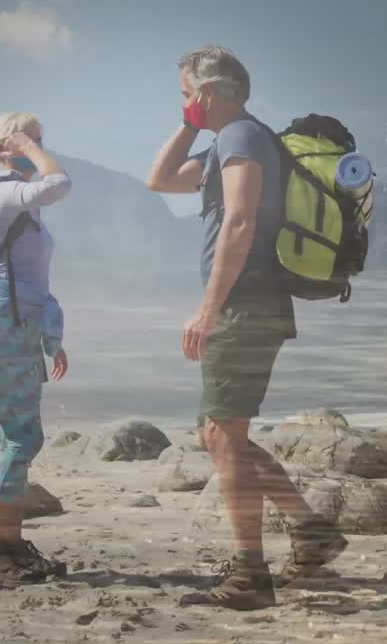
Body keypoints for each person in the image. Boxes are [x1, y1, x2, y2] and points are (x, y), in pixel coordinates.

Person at [146, 47, 347, 610]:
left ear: (209, 92)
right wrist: (187, 125)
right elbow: (159, 179)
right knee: (218, 435)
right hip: (249, 302)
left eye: (187, 95)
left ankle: (249, 576)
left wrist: (209, 308)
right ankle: (310, 530)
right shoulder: (228, 144)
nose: (184, 104)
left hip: (244, 303)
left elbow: (238, 221)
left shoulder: (242, 139)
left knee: (224, 438)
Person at [0, 111, 72, 590]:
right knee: (22, 438)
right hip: (4, 327)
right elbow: (60, 182)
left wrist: (52, 338)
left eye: (40, 140)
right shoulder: (3, 193)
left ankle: (7, 545)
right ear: (6, 147)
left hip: (20, 326)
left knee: (20, 438)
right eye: (28, 140)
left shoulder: (22, 205)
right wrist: (31, 150)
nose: (36, 147)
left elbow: (34, 281)